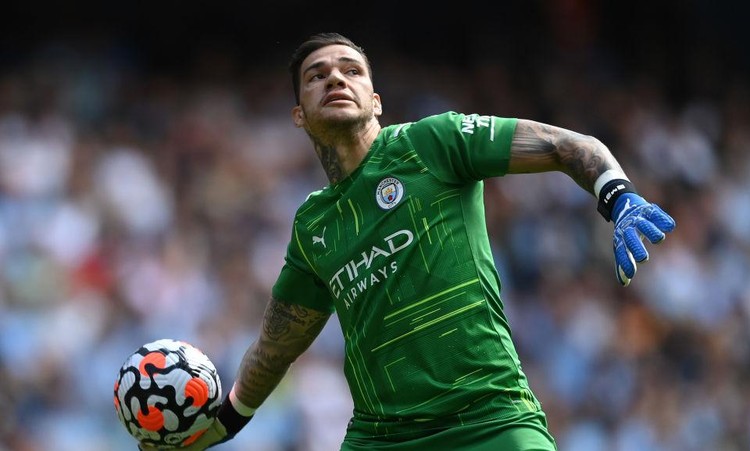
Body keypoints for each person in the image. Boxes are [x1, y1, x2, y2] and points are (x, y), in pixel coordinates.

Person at [141, 32, 675, 451]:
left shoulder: (431, 144)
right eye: (317, 76)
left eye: (351, 71)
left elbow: (565, 144)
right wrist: (223, 425)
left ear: (375, 100)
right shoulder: (313, 226)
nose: (336, 80)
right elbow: (276, 346)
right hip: (383, 439)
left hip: (491, 420)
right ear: (299, 115)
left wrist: (618, 197)